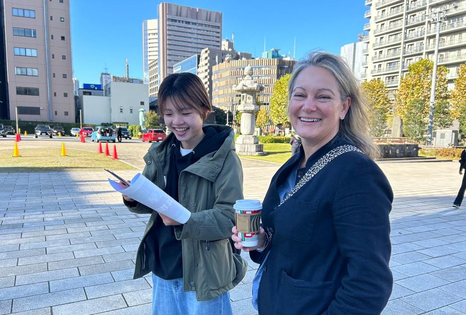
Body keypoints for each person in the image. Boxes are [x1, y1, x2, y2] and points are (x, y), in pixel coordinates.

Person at [232, 51, 394, 315]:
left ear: (344, 107)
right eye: (300, 95)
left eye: (323, 96)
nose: (308, 106)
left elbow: (370, 283)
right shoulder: (294, 164)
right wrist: (262, 240)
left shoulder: (356, 173)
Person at [122, 72, 247, 315]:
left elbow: (231, 217)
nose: (176, 121)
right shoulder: (161, 153)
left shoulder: (224, 158)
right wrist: (132, 196)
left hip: (206, 272)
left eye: (186, 112)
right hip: (163, 266)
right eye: (168, 113)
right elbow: (151, 198)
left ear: (204, 110)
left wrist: (187, 220)